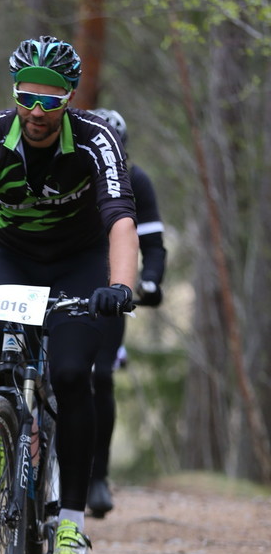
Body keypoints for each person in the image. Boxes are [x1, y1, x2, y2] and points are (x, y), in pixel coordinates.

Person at [0, 35, 138, 554]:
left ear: (69, 97)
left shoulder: (96, 139)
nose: (36, 111)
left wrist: (120, 286)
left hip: (81, 264)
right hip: (12, 257)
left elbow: (120, 219)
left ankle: (72, 521)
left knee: (74, 372)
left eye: (50, 100)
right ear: (13, 92)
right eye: (26, 97)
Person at [87, 108, 166, 517]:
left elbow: (152, 243)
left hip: (110, 291)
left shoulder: (136, 181)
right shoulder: (69, 172)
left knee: (99, 376)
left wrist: (149, 282)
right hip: (63, 279)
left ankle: (97, 476)